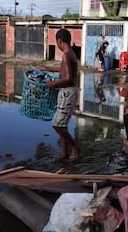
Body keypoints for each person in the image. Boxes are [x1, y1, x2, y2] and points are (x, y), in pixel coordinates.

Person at [46, 28, 80, 162]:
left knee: (57, 125)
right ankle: (64, 154)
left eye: (57, 43)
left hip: (67, 93)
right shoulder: (70, 53)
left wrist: (52, 84)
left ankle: (75, 148)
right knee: (62, 124)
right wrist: (49, 69)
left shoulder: (66, 55)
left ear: (59, 41)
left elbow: (69, 78)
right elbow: (65, 72)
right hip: (67, 93)